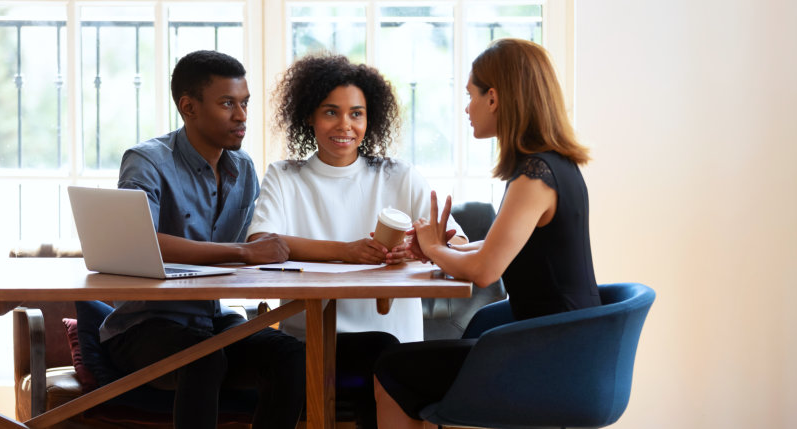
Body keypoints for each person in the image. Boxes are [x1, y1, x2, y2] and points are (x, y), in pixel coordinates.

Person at [373, 38, 603, 428]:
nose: (467, 107)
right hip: (568, 346)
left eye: (470, 95)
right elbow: (503, 247)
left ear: (493, 98)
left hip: (554, 356)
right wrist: (437, 250)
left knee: (391, 371)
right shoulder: (555, 166)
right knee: (419, 379)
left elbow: (484, 271)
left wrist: (432, 246)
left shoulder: (534, 177)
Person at [245, 53, 466, 428]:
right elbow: (261, 242)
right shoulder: (285, 176)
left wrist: (420, 250)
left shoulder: (398, 176)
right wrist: (346, 252)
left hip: (395, 343)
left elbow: (457, 243)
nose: (344, 124)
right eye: (330, 112)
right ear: (309, 117)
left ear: (370, 118)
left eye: (356, 113)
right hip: (310, 342)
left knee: (383, 362)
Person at [99, 50, 305, 429]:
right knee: (204, 358)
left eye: (244, 103)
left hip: (211, 322)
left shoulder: (242, 169)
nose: (242, 116)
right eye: (228, 104)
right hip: (143, 329)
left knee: (291, 355)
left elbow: (255, 245)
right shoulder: (146, 161)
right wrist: (243, 252)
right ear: (189, 107)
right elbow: (139, 241)